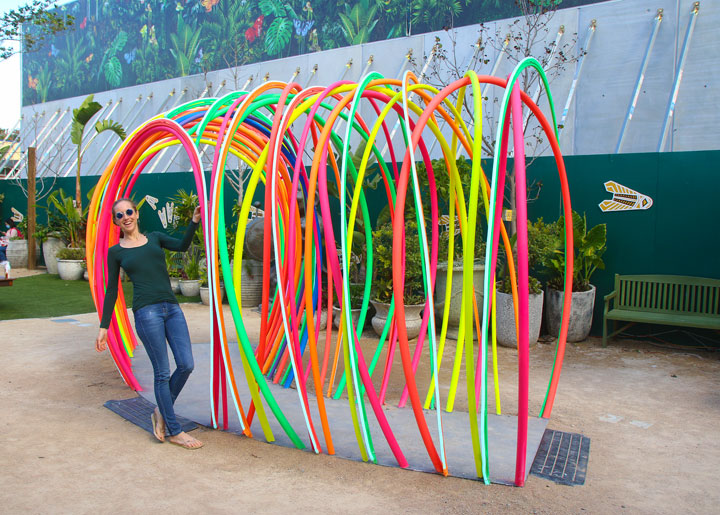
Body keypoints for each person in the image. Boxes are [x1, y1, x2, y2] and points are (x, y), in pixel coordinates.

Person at [95, 198, 203, 449]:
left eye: (129, 212)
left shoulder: (154, 238)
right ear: (116, 221)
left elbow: (182, 245)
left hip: (172, 308)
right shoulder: (116, 252)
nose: (126, 217)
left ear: (137, 214)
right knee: (162, 373)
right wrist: (104, 326)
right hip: (147, 313)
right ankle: (174, 430)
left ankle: (160, 412)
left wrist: (194, 222)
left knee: (186, 364)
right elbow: (112, 290)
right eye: (120, 215)